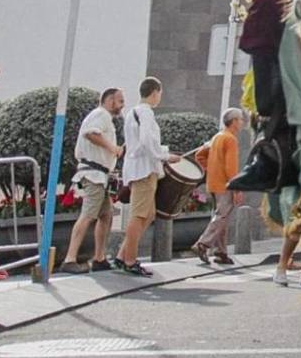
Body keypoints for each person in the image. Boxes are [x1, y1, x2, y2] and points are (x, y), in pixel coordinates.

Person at [115, 77, 180, 276]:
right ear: (155, 92)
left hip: (137, 168)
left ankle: (122, 255)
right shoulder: (146, 112)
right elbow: (146, 141)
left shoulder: (133, 112)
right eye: (160, 93)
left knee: (148, 213)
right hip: (144, 169)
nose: (160, 97)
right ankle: (130, 260)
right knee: (139, 215)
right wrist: (165, 156)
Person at [59, 87, 125, 274]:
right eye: (120, 101)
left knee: (106, 215)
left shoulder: (104, 117)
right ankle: (70, 258)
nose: (122, 105)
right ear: (110, 100)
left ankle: (99, 258)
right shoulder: (100, 114)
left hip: (100, 175)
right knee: (88, 214)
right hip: (94, 174)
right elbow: (90, 133)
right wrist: (113, 148)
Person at [194, 107, 244, 265]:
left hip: (213, 183)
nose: (242, 123)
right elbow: (231, 168)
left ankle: (221, 252)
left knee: (221, 217)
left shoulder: (217, 137)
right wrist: (237, 189)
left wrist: (212, 169)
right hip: (225, 185)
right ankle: (203, 243)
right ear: (234, 121)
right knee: (222, 216)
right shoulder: (230, 139)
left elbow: (199, 155)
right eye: (240, 119)